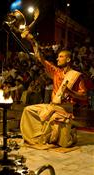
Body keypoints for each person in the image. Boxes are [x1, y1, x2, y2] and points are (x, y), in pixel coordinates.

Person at [19, 13, 87, 149]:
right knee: (28, 110)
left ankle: (67, 132)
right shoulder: (56, 72)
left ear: (68, 59)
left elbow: (84, 95)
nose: (57, 59)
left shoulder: (76, 75)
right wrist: (33, 41)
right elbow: (40, 58)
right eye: (58, 57)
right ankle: (37, 135)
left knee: (63, 143)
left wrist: (70, 92)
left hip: (64, 109)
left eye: (61, 57)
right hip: (51, 106)